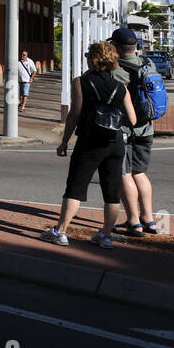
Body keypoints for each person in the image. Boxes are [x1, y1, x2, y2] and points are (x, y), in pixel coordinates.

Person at [44, 41, 136, 248]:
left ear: (93, 58)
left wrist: (64, 141)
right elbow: (133, 118)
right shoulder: (120, 87)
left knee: (76, 186)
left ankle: (60, 232)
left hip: (90, 142)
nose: (86, 56)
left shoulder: (81, 82)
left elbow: (74, 114)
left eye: (88, 54)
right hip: (115, 143)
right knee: (111, 191)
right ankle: (105, 236)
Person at [110, 27, 159, 236]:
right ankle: (149, 219)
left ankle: (133, 221)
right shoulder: (149, 64)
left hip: (124, 129)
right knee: (140, 172)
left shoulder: (116, 69)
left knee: (124, 174)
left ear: (117, 47)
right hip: (147, 128)